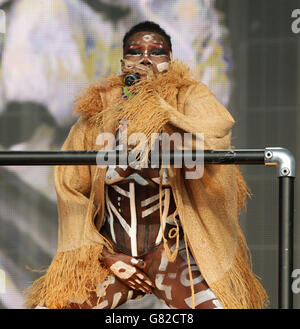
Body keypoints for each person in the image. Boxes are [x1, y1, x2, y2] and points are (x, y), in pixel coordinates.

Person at [25, 21, 269, 309]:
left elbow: (216, 133)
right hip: (113, 257)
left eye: (156, 52)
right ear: (122, 63)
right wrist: (105, 256)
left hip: (171, 254)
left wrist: (158, 108)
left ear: (170, 61)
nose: (144, 58)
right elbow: (71, 187)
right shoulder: (98, 110)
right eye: (135, 52)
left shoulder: (188, 97)